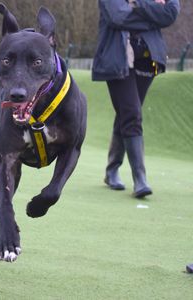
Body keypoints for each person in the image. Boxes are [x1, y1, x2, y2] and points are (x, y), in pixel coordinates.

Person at [92, 0, 180, 198]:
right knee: (131, 113)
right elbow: (118, 16)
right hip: (117, 60)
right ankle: (140, 179)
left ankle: (112, 169)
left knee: (128, 112)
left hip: (148, 59)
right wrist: (153, 15)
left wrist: (138, 4)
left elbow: (170, 13)